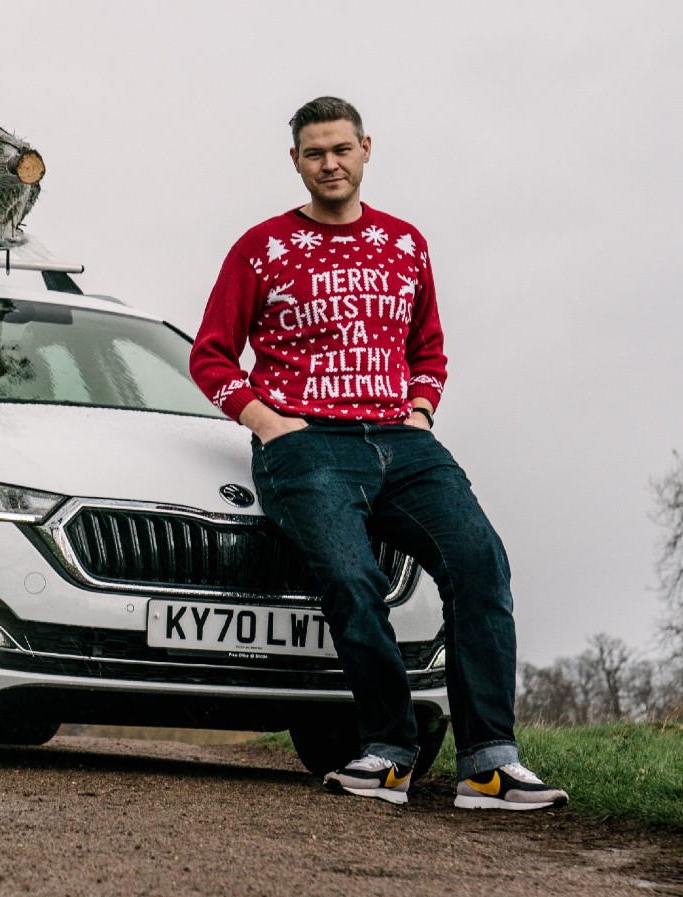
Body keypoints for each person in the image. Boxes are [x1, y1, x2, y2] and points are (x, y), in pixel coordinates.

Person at [189, 96, 568, 810]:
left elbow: (428, 347)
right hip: (307, 445)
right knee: (353, 577)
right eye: (313, 153)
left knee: (481, 561)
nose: (329, 163)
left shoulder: (405, 243)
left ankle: (489, 764)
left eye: (340, 149)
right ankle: (389, 749)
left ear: (366, 148)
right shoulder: (261, 247)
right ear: (295, 161)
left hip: (402, 440)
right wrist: (268, 422)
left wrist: (422, 410)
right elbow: (210, 356)